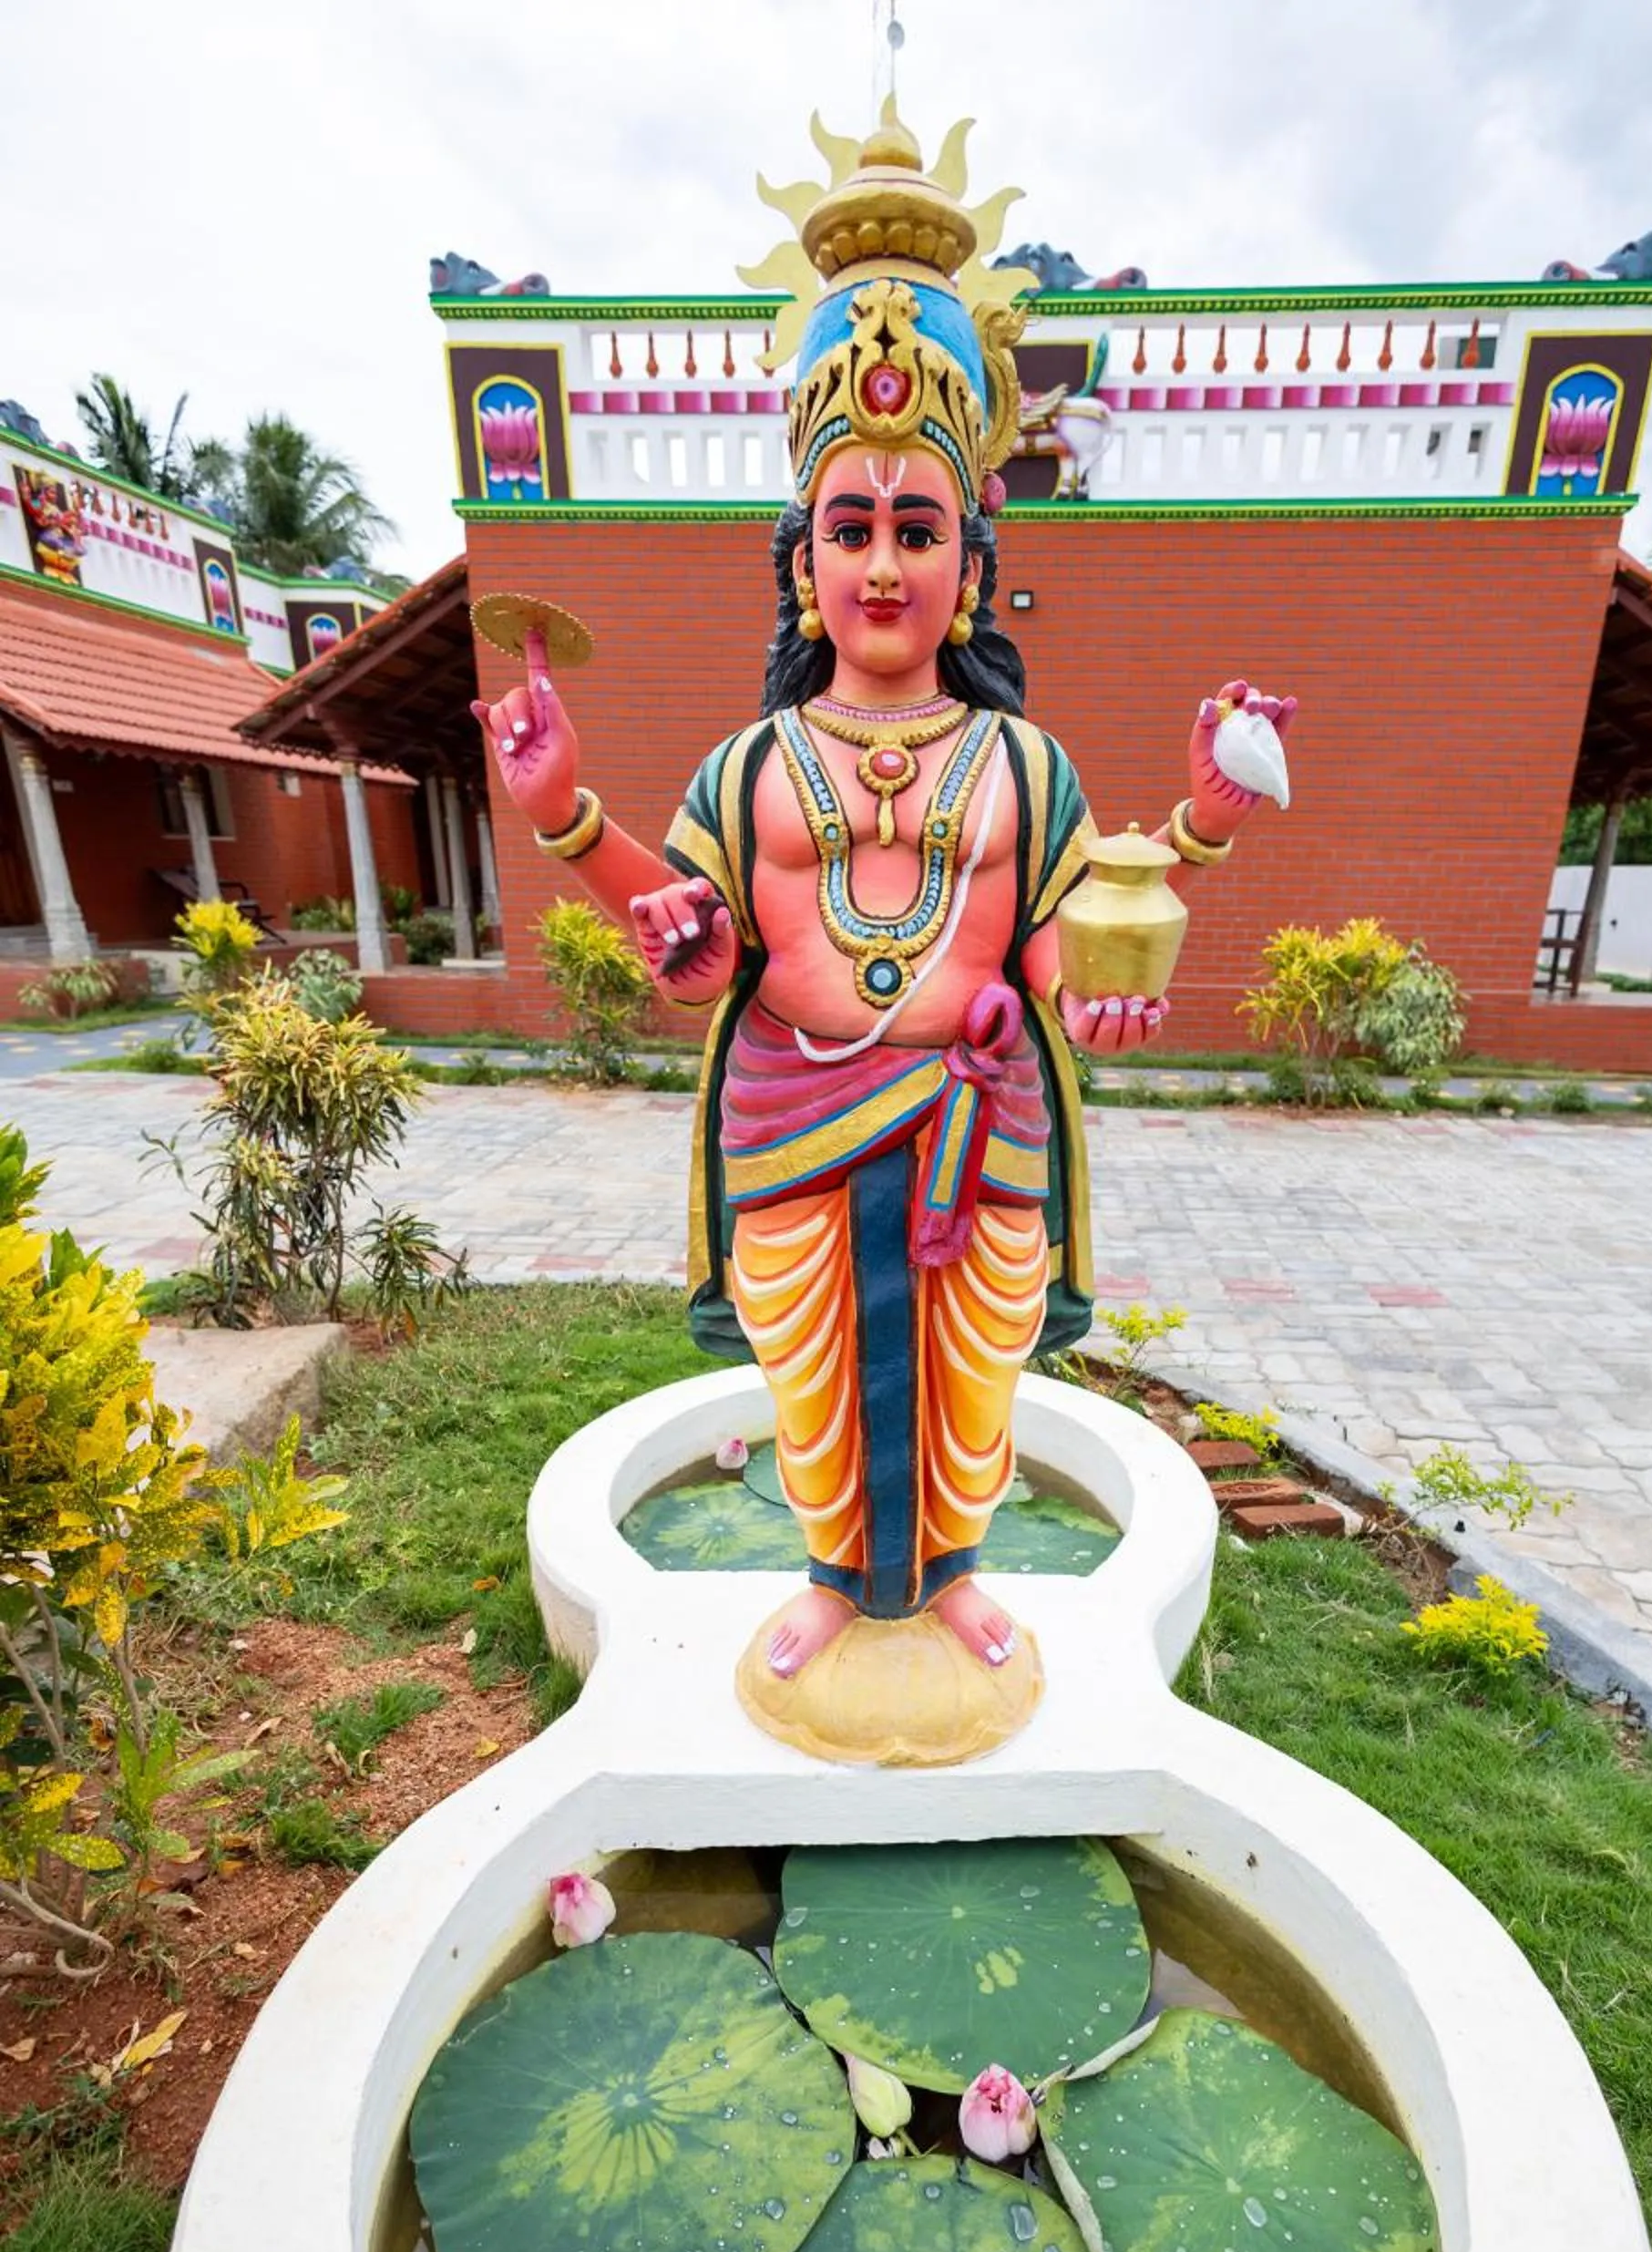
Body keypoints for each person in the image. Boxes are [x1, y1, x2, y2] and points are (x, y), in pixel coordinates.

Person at [473, 108, 1293, 1732]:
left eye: (918, 528)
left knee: (968, 1376)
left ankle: (957, 1571)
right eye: (851, 528)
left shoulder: (1026, 762)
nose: (883, 561)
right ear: (802, 564)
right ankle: (840, 1579)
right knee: (818, 1377)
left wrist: (1175, 866)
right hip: (794, 1113)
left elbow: (1054, 939)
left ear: (970, 565)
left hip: (978, 1123)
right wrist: (566, 812)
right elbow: (696, 931)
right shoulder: (754, 760)